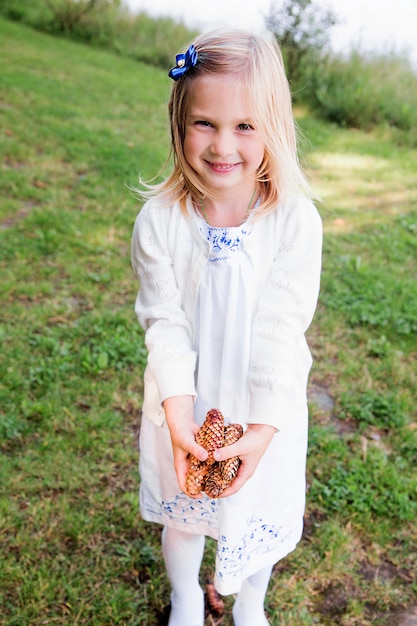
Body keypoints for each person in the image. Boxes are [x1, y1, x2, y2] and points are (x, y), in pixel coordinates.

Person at [131, 28, 322, 626]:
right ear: (178, 122)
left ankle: (251, 603)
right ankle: (187, 596)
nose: (222, 145)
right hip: (188, 398)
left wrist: (264, 427)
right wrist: (179, 409)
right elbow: (165, 321)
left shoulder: (294, 220)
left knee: (257, 504)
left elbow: (280, 328)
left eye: (244, 126)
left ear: (275, 127)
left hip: (264, 399)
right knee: (184, 512)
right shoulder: (160, 219)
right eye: (204, 123)